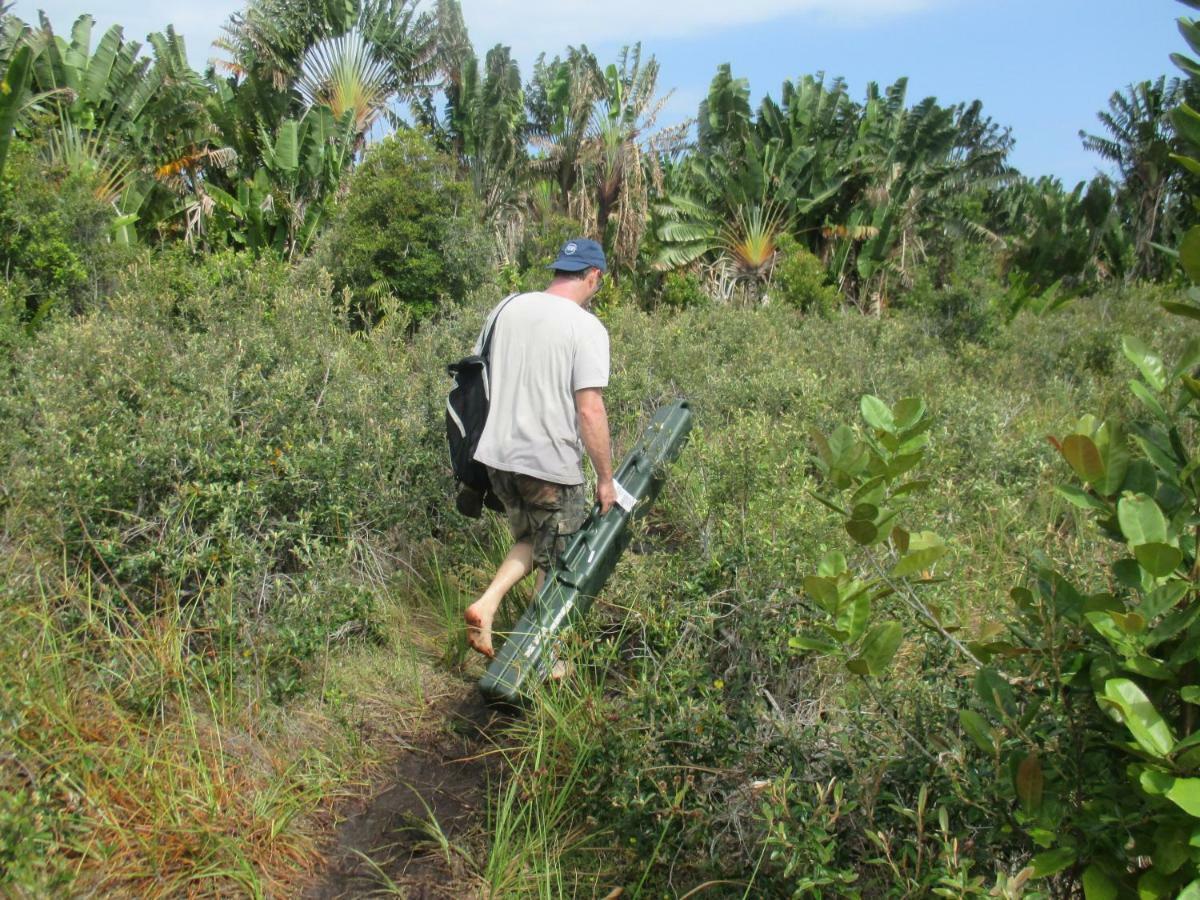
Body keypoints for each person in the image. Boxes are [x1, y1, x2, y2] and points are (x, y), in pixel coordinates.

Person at [464, 237, 616, 659]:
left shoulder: (506, 308)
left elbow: (480, 375)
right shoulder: (585, 326)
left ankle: (487, 604)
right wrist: (606, 479)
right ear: (593, 276)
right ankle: (543, 659)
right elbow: (590, 411)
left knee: (533, 538)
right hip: (548, 464)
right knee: (558, 563)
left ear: (557, 271)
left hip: (498, 458)